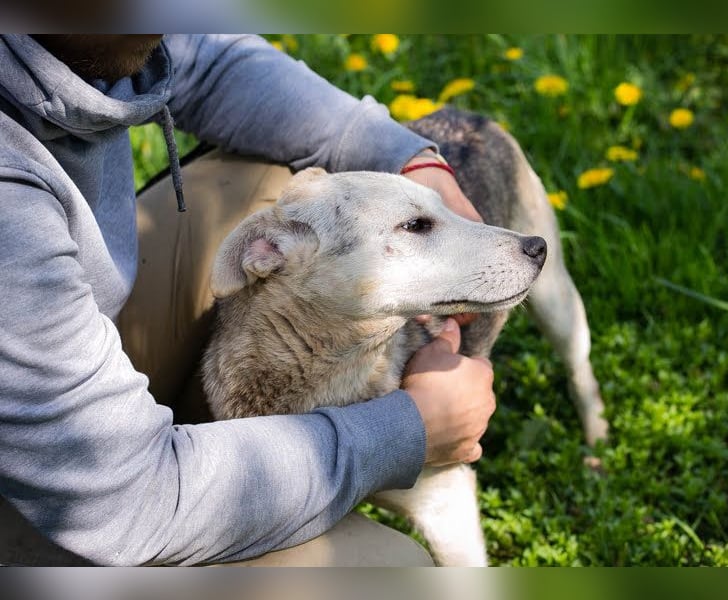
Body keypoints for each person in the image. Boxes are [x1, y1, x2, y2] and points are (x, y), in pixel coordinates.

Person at [0, 34, 496, 566]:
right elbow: (128, 503)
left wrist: (411, 160)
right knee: (396, 573)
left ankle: (212, 438)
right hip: (83, 502)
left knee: (261, 174)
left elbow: (206, 60)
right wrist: (409, 430)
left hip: (50, 363)